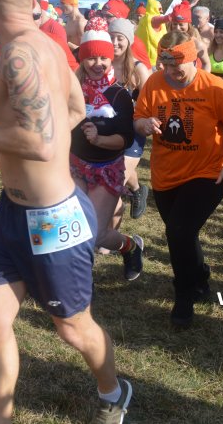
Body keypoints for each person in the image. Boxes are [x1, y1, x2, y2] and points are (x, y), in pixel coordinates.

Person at [0, 0, 132, 424]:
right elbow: (74, 109)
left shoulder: (22, 56)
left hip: (53, 217)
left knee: (73, 328)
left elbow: (42, 143)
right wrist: (4, 146)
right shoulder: (43, 46)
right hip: (12, 211)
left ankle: (113, 392)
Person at [133, 30, 223, 326]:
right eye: (166, 65)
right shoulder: (154, 83)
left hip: (208, 172)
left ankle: (183, 295)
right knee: (183, 233)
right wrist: (145, 124)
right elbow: (138, 120)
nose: (171, 71)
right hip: (166, 174)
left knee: (178, 232)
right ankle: (200, 278)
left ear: (193, 58)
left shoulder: (215, 87)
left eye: (177, 65)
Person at [71, 17, 143, 281]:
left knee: (98, 234)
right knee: (74, 226)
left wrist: (99, 139)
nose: (98, 64)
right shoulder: (73, 89)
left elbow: (125, 139)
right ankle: (74, 279)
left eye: (103, 58)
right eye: (91, 58)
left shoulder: (119, 95)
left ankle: (131, 247)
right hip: (75, 165)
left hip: (106, 169)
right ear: (83, 59)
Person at [108, 17, 151, 220]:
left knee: (114, 181)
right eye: (111, 37)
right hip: (109, 130)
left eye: (120, 38)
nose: (114, 42)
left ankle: (107, 230)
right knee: (118, 168)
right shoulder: (102, 64)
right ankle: (137, 190)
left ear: (129, 40)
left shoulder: (138, 69)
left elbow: (152, 102)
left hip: (134, 130)